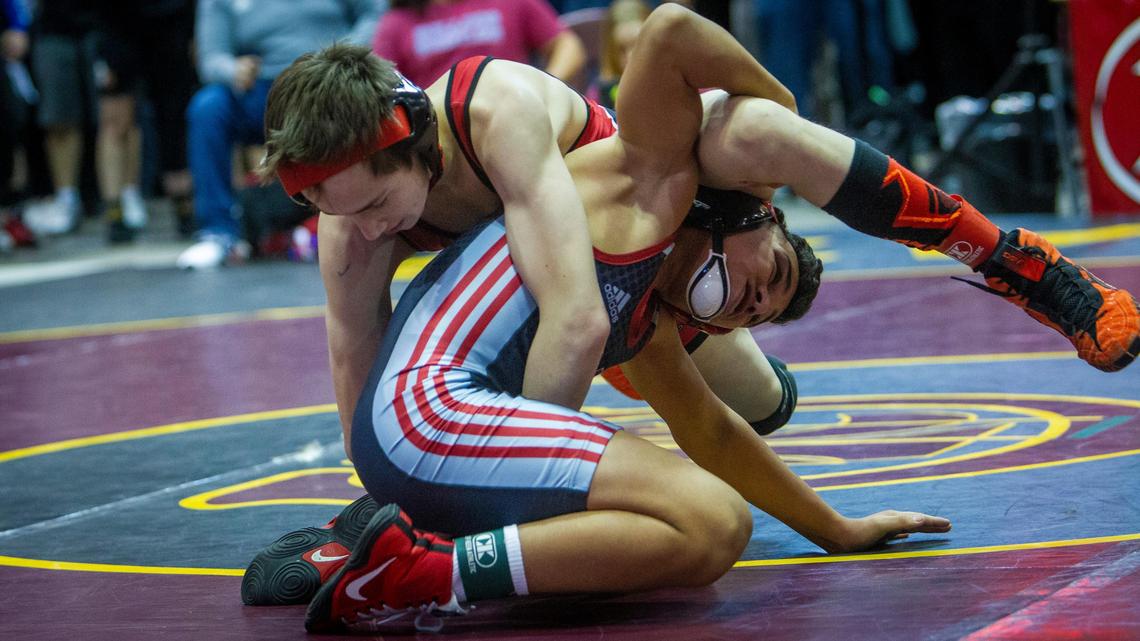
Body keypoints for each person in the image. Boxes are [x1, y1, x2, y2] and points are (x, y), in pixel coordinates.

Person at [253, 8, 948, 632]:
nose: (370, 232)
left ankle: (418, 551)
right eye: (346, 214)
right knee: (702, 510)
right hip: (476, 376)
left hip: (541, 330)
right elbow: (364, 362)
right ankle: (417, 560)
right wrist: (451, 498)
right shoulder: (356, 231)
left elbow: (691, 411)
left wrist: (835, 528)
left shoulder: (508, 123)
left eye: (373, 206)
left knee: (758, 405)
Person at [176, 0, 385, 269]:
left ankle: (374, 210)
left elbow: (374, 14)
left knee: (369, 91)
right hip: (261, 88)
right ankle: (219, 233)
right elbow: (212, 58)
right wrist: (233, 70)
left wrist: (344, 55)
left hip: (330, 79)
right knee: (207, 107)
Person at [371, 0, 587, 88]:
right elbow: (380, 87)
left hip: (513, 111)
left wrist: (543, 87)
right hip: (439, 134)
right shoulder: (396, 22)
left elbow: (567, 46)